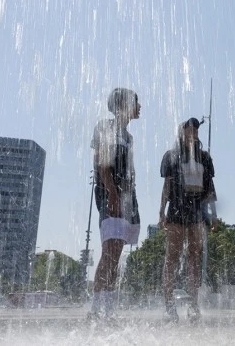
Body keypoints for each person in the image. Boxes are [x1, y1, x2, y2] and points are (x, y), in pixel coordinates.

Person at [88, 87, 142, 321]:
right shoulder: (105, 127)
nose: (139, 108)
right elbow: (101, 163)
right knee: (109, 251)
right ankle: (96, 309)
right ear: (124, 105)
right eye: (136, 103)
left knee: (116, 252)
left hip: (127, 195)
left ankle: (107, 309)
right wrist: (111, 194)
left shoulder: (128, 136)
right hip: (110, 193)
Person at [159, 117, 217, 323]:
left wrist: (213, 215)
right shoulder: (171, 155)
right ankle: (169, 306)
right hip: (176, 210)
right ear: (181, 132)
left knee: (194, 258)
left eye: (195, 129)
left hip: (197, 211)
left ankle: (194, 304)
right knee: (172, 257)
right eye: (188, 128)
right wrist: (161, 213)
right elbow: (166, 186)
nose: (193, 131)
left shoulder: (204, 157)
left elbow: (210, 188)